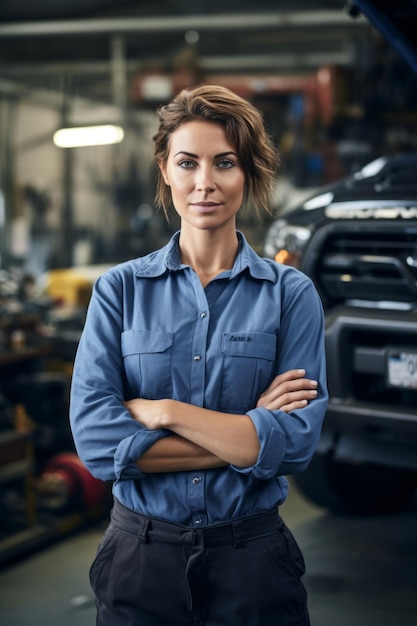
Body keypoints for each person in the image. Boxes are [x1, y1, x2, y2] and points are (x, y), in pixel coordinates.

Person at [69, 84, 328, 626]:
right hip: (139, 561)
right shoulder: (119, 290)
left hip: (253, 564)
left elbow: (297, 445)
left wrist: (164, 413)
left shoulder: (291, 295)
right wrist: (248, 434)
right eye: (188, 163)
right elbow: (96, 443)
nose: (205, 182)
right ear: (166, 170)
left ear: (249, 173)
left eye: (225, 163)